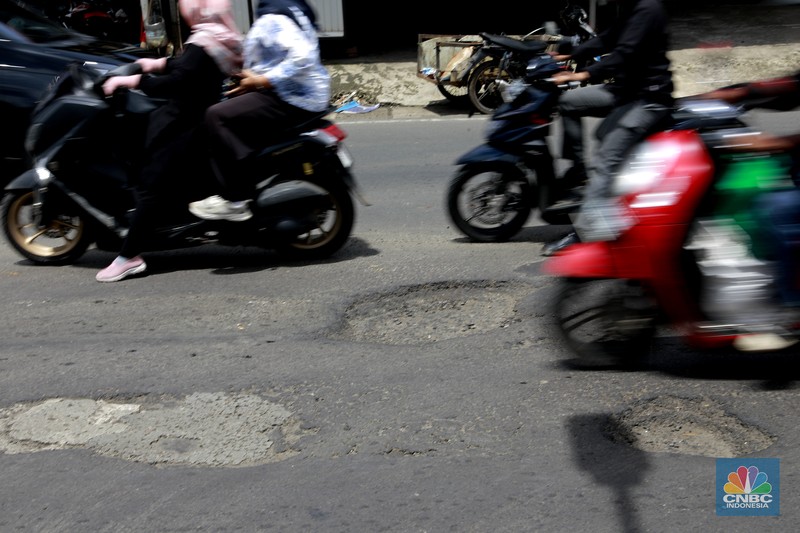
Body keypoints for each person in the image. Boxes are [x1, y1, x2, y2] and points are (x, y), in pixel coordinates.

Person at [95, 0, 243, 282]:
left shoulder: (203, 43)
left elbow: (179, 80)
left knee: (151, 185)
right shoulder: (218, 37)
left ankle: (129, 257)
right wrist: (154, 63)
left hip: (184, 125)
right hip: (189, 117)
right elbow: (185, 67)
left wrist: (132, 82)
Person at [541, 0, 674, 256]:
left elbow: (625, 53)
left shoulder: (648, 8)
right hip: (624, 92)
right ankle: (578, 169)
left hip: (648, 99)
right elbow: (607, 38)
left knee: (605, 159)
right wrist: (571, 56)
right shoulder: (630, 9)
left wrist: (583, 75)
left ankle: (587, 234)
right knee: (570, 103)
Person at [187, 0, 331, 222]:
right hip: (305, 94)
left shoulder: (273, 17)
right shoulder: (291, 7)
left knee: (216, 116)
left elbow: (303, 57)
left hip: (291, 98)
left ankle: (235, 198)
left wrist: (261, 80)